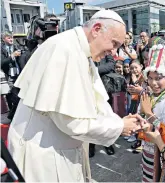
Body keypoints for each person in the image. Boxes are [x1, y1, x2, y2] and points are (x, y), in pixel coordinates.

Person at [7, 10, 145, 182]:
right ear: (96, 29)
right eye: (114, 43)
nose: (114, 52)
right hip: (44, 155)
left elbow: (96, 101)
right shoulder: (64, 50)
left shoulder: (81, 51)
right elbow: (71, 122)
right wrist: (118, 126)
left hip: (60, 150)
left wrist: (123, 121)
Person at [139, 43, 165, 182]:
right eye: (150, 78)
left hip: (163, 152)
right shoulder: (149, 94)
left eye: (158, 78)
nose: (153, 83)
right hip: (147, 147)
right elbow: (142, 114)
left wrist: (148, 112)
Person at [1, 31, 21, 120]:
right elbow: (1, 63)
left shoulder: (16, 46)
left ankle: (15, 114)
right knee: (13, 96)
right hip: (9, 76)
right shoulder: (1, 49)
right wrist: (11, 56)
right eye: (9, 38)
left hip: (19, 74)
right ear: (3, 39)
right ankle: (12, 116)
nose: (11, 39)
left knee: (18, 95)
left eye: (12, 37)